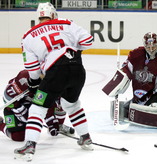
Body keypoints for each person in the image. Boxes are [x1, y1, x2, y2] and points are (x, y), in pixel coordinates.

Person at [14, 2, 94, 161]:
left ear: (39, 17)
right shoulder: (66, 23)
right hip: (78, 69)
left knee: (37, 108)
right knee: (71, 105)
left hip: (56, 72)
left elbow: (33, 69)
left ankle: (30, 145)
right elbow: (88, 41)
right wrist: (70, 46)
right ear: (53, 15)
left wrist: (34, 83)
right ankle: (85, 137)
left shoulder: (28, 36)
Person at [0, 70, 75, 142]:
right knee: (18, 136)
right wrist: (25, 115)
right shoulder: (24, 78)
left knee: (61, 98)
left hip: (33, 103)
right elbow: (8, 98)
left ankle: (59, 125)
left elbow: (47, 103)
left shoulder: (51, 81)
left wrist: (52, 123)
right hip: (14, 107)